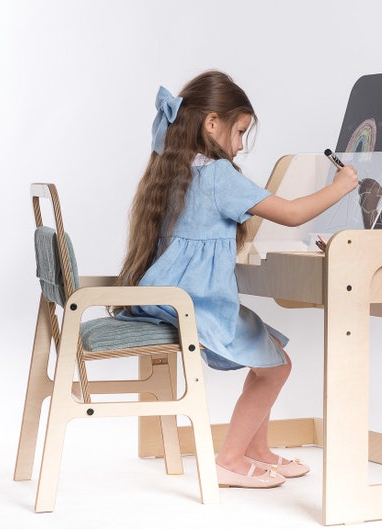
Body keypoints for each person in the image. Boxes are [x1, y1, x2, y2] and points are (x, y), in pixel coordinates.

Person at [115, 70, 358, 488]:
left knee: (273, 352)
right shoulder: (217, 175)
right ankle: (229, 460)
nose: (241, 144)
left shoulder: (175, 168)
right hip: (196, 302)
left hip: (173, 295)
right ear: (212, 123)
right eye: (240, 131)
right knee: (278, 367)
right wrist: (342, 184)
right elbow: (293, 213)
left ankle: (256, 450)